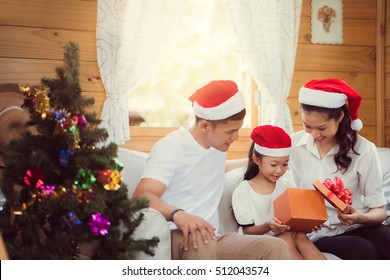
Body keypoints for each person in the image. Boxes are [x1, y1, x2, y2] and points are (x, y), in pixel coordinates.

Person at [133, 80, 290, 260]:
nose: (236, 137)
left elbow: (214, 170)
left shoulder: (216, 146)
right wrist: (179, 214)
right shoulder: (172, 147)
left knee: (275, 247)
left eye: (237, 130)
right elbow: (142, 196)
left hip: (212, 236)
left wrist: (261, 164)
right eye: (231, 131)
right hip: (176, 234)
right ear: (205, 125)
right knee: (201, 238)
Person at [289, 78, 390, 260]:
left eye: (321, 128)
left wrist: (360, 217)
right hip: (320, 233)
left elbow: (379, 211)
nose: (314, 134)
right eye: (307, 126)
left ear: (340, 118)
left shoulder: (364, 149)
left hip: (360, 225)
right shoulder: (293, 147)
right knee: (362, 250)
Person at [232, 125, 326, 260]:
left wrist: (309, 225)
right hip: (258, 241)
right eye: (273, 164)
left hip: (284, 236)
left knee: (300, 235)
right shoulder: (243, 190)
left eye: (284, 164)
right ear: (257, 160)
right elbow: (247, 231)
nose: (279, 170)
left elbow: (293, 220)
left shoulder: (286, 186)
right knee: (285, 236)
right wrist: (269, 226)